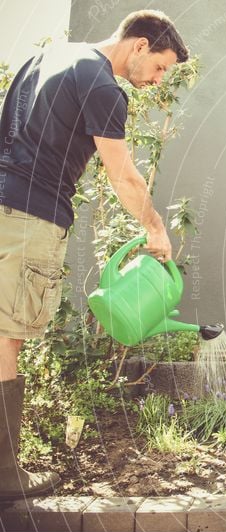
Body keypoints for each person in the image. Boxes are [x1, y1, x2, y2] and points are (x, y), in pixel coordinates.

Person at [0, 10, 188, 499]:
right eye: (162, 67)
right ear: (140, 45)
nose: (158, 79)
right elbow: (122, 175)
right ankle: (2, 475)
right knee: (7, 336)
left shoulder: (47, 57)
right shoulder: (104, 86)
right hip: (27, 215)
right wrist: (155, 229)